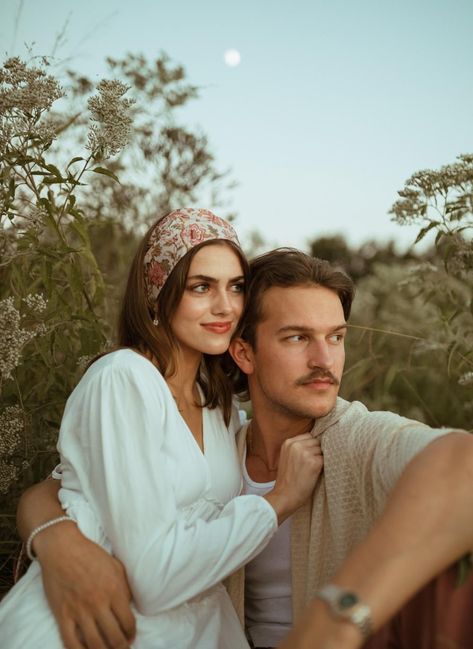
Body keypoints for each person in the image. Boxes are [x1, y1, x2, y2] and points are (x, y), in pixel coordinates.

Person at [14, 247, 473, 648]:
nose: (324, 360)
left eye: (336, 337)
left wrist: (336, 620)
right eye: (297, 337)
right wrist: (59, 542)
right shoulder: (222, 441)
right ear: (244, 353)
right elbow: (63, 485)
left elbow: (462, 464)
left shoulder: (356, 438)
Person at [0, 217, 324, 649]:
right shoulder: (123, 378)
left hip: (194, 629)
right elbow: (154, 577)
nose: (226, 307)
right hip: (93, 627)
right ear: (158, 293)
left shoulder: (217, 405)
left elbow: (56, 486)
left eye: (236, 286)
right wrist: (278, 502)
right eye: (201, 287)